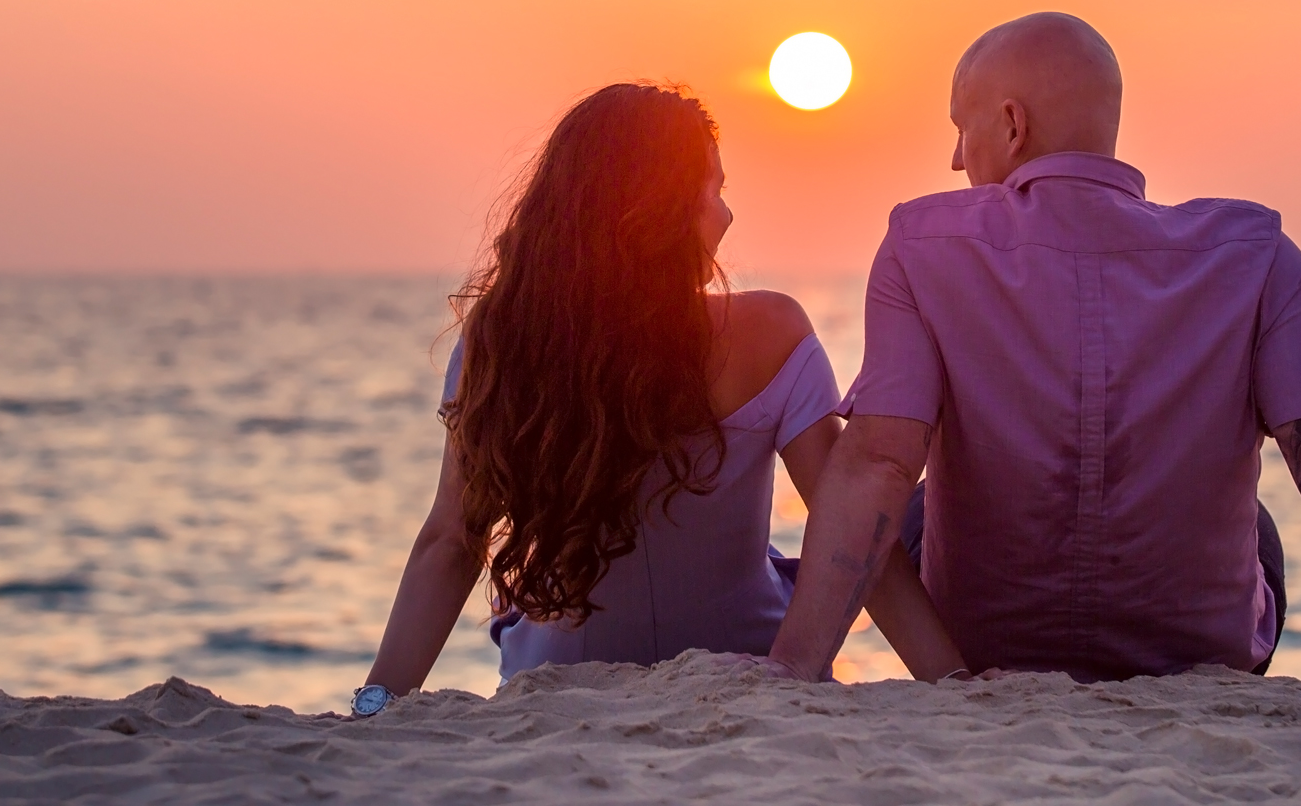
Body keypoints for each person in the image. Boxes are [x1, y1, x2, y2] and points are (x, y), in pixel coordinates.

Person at [764, 13, 1301, 696]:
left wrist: (794, 670)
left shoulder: (921, 246)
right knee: (1264, 526)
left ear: (1010, 125)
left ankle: (940, 683)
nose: (955, 160)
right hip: (1196, 657)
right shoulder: (1256, 254)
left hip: (985, 648)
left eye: (960, 129)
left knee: (908, 499)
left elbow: (877, 461)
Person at [350, 82, 963, 714]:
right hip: (743, 652)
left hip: (557, 672)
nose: (727, 215)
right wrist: (952, 682)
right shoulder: (771, 333)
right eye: (716, 189)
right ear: (664, 209)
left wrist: (377, 702)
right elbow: (856, 533)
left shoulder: (504, 342)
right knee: (899, 515)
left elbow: (452, 542)